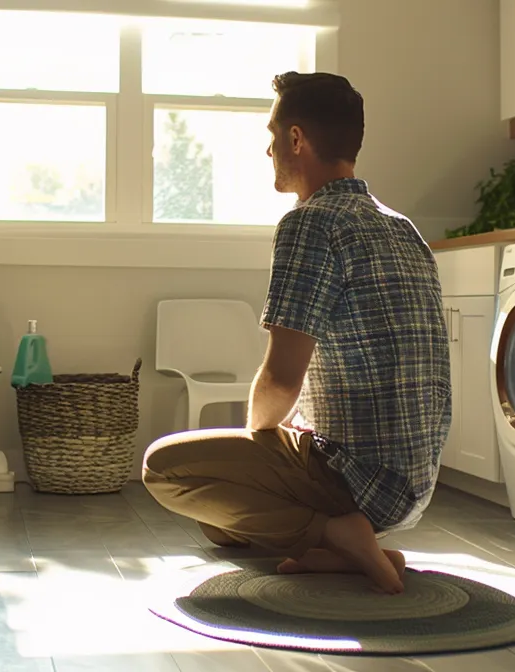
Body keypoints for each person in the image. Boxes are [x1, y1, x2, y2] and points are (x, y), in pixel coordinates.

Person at [141, 72, 452, 595]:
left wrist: (258, 442)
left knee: (163, 469)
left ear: (295, 139)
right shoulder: (402, 226)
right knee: (220, 525)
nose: (268, 150)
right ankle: (351, 553)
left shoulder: (309, 223)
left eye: (272, 134)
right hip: (414, 481)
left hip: (356, 477)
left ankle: (337, 532)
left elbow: (282, 379)